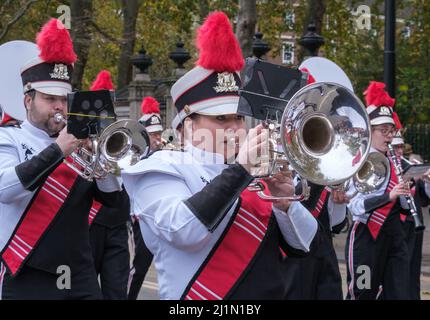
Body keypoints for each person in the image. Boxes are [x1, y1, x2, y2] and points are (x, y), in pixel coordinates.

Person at [122, 11, 318, 300]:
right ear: (188, 126)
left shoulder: (255, 173)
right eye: (221, 118)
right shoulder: (161, 167)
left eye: (238, 118)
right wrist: (240, 170)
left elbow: (304, 245)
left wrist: (285, 203)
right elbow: (183, 230)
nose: (235, 128)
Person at [0, 19, 124, 300]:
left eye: (64, 99)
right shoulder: (9, 139)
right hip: (26, 271)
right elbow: (5, 190)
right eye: (49, 98)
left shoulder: (78, 144)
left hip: (79, 273)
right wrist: (58, 150)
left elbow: (114, 204)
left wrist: (100, 159)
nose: (59, 107)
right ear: (28, 100)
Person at [345, 81, 411, 300]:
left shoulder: (395, 162)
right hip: (367, 238)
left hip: (394, 235)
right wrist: (389, 196)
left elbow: (402, 207)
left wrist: (405, 193)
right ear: (369, 131)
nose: (390, 136)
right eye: (384, 131)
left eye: (391, 130)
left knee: (398, 292)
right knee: (363, 292)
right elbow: (355, 206)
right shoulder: (357, 161)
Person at [86, 70, 131, 300]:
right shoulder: (82, 138)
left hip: (117, 224)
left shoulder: (120, 133)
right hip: (91, 225)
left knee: (117, 291)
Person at [127, 96, 163, 300]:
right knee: (139, 266)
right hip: (139, 217)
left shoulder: (164, 154)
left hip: (158, 215)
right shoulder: (134, 155)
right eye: (153, 134)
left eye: (159, 133)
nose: (158, 138)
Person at [391, 129, 430, 299]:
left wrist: (426, 181)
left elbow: (425, 199)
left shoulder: (409, 165)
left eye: (401, 146)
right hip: (396, 225)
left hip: (415, 226)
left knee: (413, 271)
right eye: (396, 147)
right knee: (397, 273)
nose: (400, 150)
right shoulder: (384, 167)